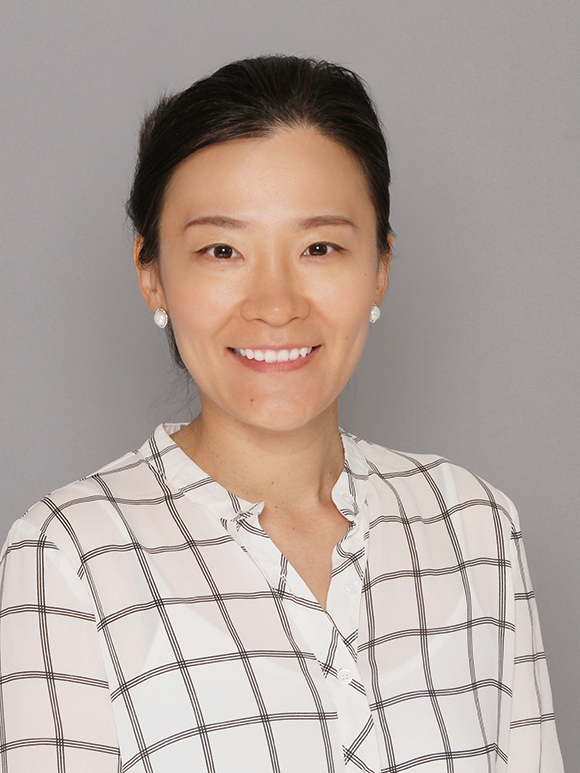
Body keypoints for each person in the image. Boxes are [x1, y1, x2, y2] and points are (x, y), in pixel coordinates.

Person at [0, 55, 564, 772]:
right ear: (152, 275)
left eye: (320, 247)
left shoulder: (475, 526)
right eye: (222, 250)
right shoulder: (71, 553)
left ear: (381, 266)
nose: (275, 304)